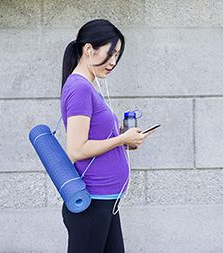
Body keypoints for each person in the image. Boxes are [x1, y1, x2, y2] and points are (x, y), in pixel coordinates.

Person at [60, 19, 154, 253]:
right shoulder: (79, 88)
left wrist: (124, 137)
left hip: (106, 201)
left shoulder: (88, 87)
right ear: (89, 49)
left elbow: (94, 139)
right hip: (93, 202)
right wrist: (122, 139)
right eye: (110, 53)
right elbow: (77, 149)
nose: (113, 62)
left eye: (117, 55)